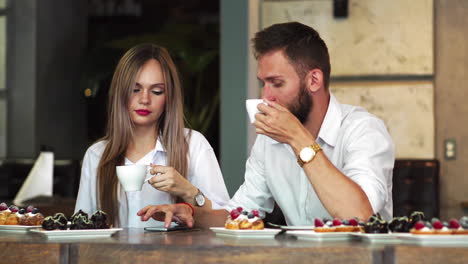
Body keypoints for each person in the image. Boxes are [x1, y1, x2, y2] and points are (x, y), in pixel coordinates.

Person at [137, 22, 395, 228]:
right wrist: (191, 213)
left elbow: (360, 217)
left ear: (314, 80)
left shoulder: (364, 130)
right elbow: (239, 215)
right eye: (263, 82)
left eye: (277, 83)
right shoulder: (269, 142)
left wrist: (298, 138)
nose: (266, 96)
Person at [75, 43, 230, 227]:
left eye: (157, 91)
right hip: (113, 256)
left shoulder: (193, 145)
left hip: (175, 255)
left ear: (169, 97)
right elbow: (81, 226)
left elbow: (226, 220)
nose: (145, 99)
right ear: (120, 93)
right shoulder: (97, 155)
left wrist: (188, 190)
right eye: (135, 89)